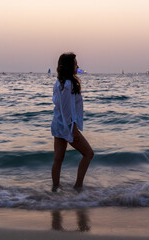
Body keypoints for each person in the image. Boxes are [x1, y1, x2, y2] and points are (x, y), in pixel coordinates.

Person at [51, 52, 94, 192]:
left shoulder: (59, 82)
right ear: (70, 66)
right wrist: (73, 128)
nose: (78, 66)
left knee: (58, 159)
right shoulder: (68, 84)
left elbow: (61, 106)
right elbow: (67, 109)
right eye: (76, 64)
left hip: (58, 124)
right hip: (67, 126)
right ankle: (78, 187)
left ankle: (54, 191)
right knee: (88, 153)